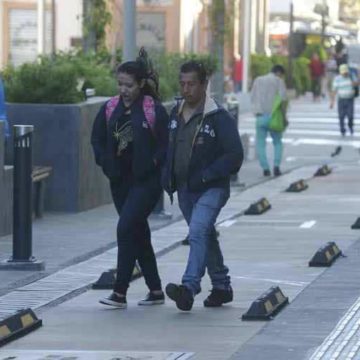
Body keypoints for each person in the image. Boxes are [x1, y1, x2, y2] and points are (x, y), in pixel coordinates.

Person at [162, 61, 243, 311]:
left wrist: (208, 176)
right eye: (182, 84)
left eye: (192, 84)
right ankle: (221, 287)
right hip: (184, 189)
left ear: (204, 85)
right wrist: (167, 176)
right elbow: (169, 148)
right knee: (205, 235)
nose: (186, 89)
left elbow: (234, 155)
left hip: (212, 188)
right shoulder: (175, 113)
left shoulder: (219, 117)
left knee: (197, 232)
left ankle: (189, 288)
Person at [91, 48, 169, 308]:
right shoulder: (110, 107)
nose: (124, 90)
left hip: (146, 182)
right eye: (120, 84)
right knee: (138, 232)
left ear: (140, 85)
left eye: (129, 85)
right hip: (119, 181)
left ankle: (120, 292)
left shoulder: (152, 109)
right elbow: (97, 140)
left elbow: (165, 144)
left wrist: (154, 163)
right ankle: (156, 290)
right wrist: (104, 162)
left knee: (125, 228)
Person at [250, 65, 288, 177]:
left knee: (260, 143)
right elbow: (283, 100)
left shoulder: (258, 80)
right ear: (279, 73)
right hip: (274, 117)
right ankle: (276, 166)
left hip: (260, 117)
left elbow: (252, 97)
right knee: (277, 142)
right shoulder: (279, 81)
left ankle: (265, 168)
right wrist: (284, 117)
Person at [330, 63, 358, 136]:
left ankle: (350, 126)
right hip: (341, 99)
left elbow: (357, 84)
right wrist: (332, 102)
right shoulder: (337, 79)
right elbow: (334, 90)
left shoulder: (351, 76)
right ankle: (342, 129)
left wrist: (353, 78)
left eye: (345, 72)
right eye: (343, 72)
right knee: (341, 116)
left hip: (350, 99)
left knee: (350, 115)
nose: (344, 74)